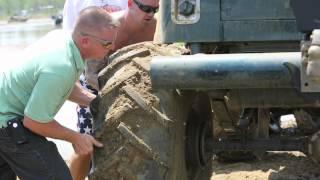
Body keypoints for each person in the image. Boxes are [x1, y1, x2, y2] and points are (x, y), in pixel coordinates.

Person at [0, 6, 118, 180]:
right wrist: (75, 137)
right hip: (9, 124)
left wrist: (94, 101)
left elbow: (63, 86)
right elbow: (34, 121)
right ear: (85, 41)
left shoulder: (61, 39)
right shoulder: (61, 67)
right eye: (107, 43)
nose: (112, 47)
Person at [63, 0, 159, 179]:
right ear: (130, 3)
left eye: (155, 10)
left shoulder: (156, 28)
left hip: (134, 89)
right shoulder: (109, 27)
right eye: (145, 9)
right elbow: (90, 72)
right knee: (86, 144)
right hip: (94, 86)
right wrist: (102, 101)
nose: (150, 14)